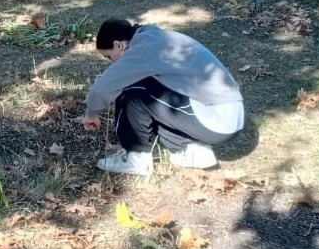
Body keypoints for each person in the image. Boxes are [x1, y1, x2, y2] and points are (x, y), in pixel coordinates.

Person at [82, 18, 245, 175]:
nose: (111, 62)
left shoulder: (141, 50)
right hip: (228, 116)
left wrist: (91, 114)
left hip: (215, 118)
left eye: (109, 57)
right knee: (151, 93)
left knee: (133, 90)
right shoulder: (154, 38)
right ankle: (190, 150)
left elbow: (103, 88)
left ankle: (135, 157)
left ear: (119, 45)